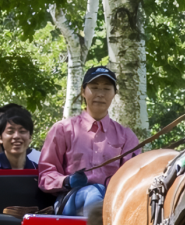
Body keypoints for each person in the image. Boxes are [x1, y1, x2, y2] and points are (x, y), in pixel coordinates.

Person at [38, 66, 140, 216]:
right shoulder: (63, 129)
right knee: (94, 191)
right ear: (83, 91)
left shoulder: (126, 136)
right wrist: (67, 181)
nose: (100, 94)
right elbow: (46, 174)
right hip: (69, 200)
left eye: (106, 88)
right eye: (94, 87)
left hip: (113, 202)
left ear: (114, 94)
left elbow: (132, 178)